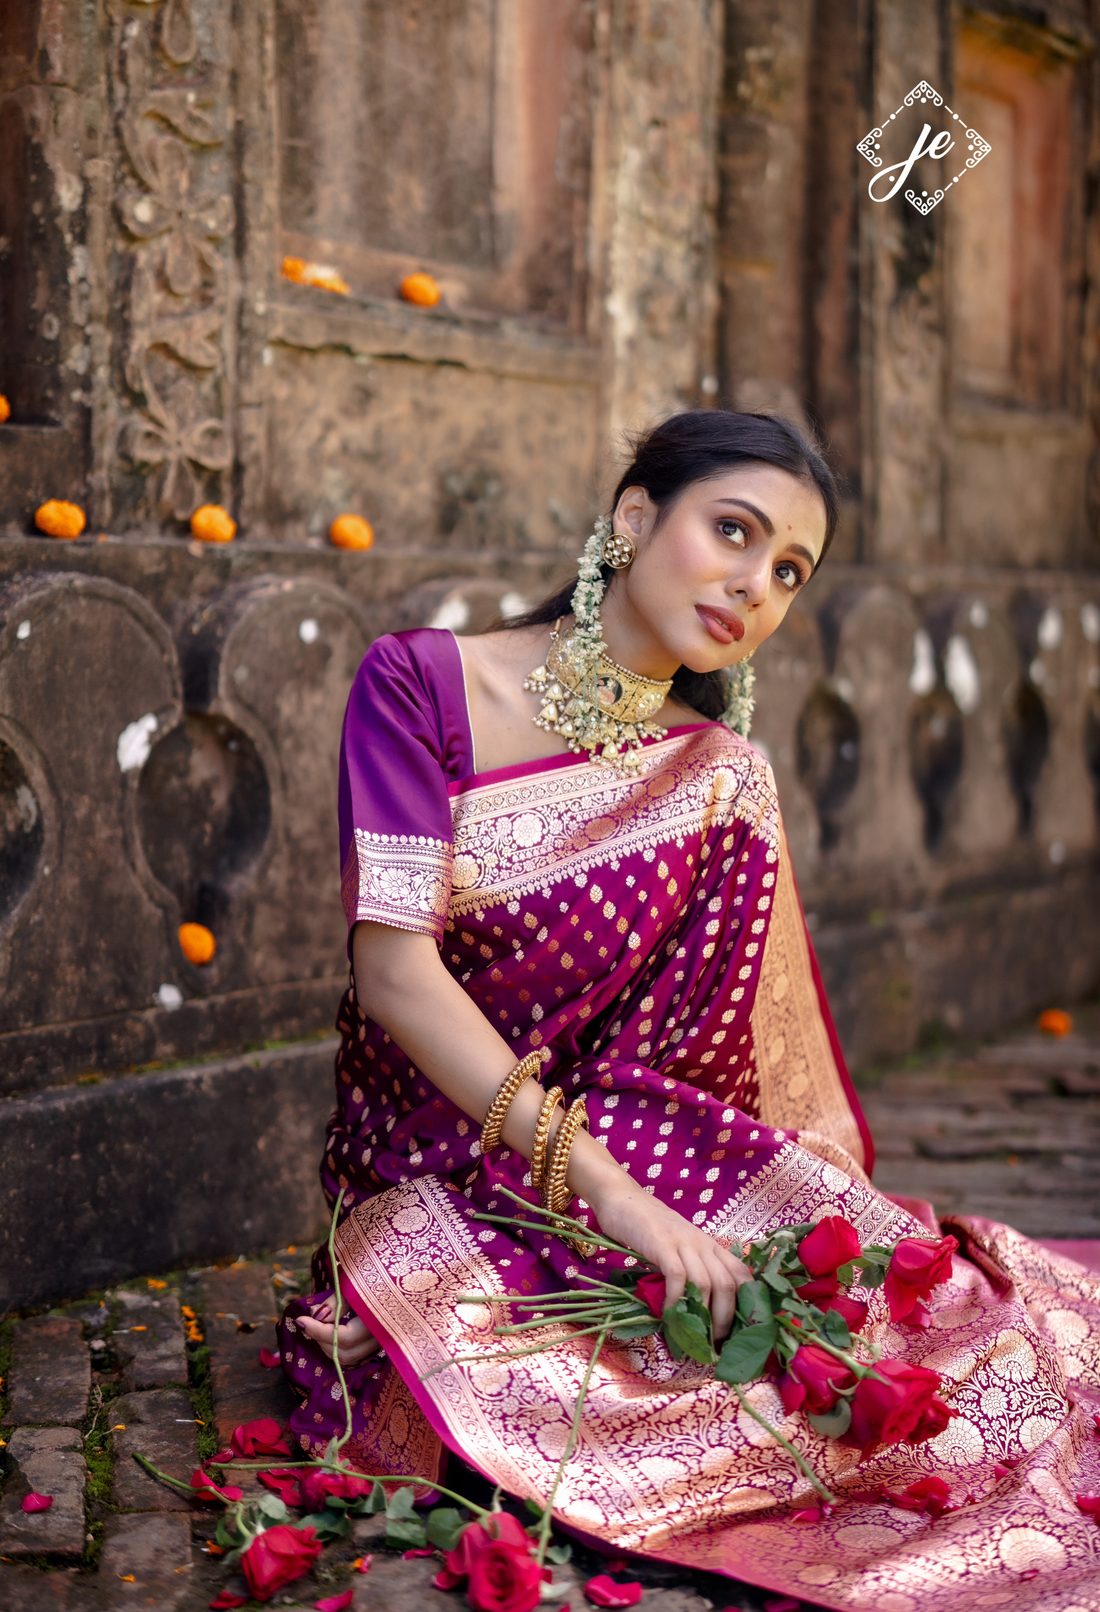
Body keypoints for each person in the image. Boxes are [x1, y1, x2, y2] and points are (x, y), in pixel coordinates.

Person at [278, 411, 1100, 1611]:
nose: (753, 586)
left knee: (887, 1334)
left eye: (786, 573)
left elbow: (701, 1069)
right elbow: (397, 974)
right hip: (432, 1170)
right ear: (629, 518)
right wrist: (609, 1196)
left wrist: (672, 1208)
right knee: (526, 1387)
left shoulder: (717, 777)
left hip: (626, 1146)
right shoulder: (422, 683)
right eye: (733, 532)